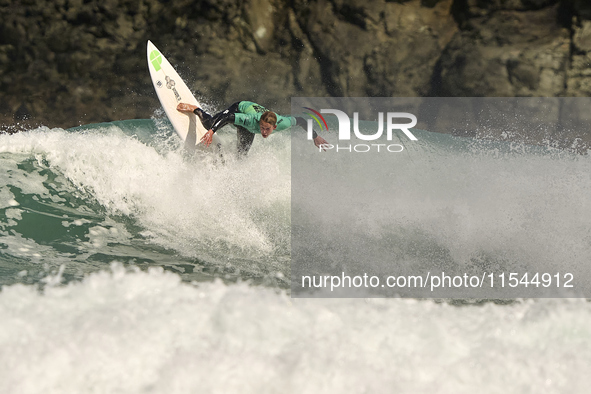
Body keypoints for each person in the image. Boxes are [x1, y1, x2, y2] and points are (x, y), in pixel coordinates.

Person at [176, 101, 328, 156]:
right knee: (210, 124)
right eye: (262, 127)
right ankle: (196, 109)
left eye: (267, 129)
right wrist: (211, 131)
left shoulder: (284, 123)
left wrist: (315, 137)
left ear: (274, 127)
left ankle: (222, 155)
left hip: (249, 128)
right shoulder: (250, 120)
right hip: (239, 108)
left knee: (241, 156)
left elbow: (301, 120)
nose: (263, 132)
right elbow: (228, 118)